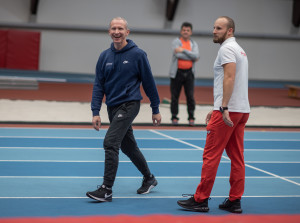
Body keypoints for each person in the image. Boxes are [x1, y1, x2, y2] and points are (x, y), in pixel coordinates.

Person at [177, 16, 250, 213]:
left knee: (211, 155)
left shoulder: (226, 49)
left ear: (230, 31)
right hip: (242, 110)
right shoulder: (240, 49)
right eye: (214, 27)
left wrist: (223, 107)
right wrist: (218, 105)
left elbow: (229, 77)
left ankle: (200, 199)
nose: (214, 31)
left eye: (219, 28)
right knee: (237, 157)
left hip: (229, 111)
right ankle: (235, 200)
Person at [86, 17, 162, 202]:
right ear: (109, 32)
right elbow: (98, 85)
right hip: (112, 107)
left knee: (110, 142)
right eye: (113, 28)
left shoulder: (138, 55)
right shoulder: (104, 56)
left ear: (127, 32)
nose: (117, 31)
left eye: (120, 28)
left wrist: (155, 108)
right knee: (128, 146)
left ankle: (106, 189)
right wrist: (95, 111)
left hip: (129, 104)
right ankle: (149, 178)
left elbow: (149, 83)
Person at [169, 22, 200, 126]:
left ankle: (191, 118)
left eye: (188, 30)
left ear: (191, 32)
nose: (185, 32)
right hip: (177, 73)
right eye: (184, 30)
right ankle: (174, 117)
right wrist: (191, 56)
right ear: (181, 31)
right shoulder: (176, 42)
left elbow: (196, 56)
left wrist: (183, 50)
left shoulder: (194, 44)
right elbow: (178, 55)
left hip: (189, 73)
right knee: (174, 97)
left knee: (190, 97)